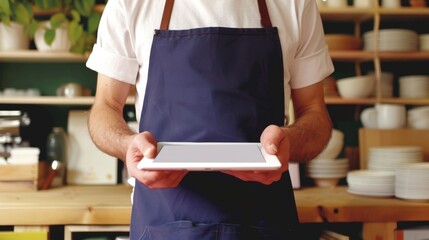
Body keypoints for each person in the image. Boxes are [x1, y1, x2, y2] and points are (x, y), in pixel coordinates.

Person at [86, 0, 334, 239]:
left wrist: (289, 141)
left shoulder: (296, 3)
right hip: (163, 223)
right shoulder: (130, 3)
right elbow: (105, 107)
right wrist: (128, 146)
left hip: (264, 223)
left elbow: (315, 113)